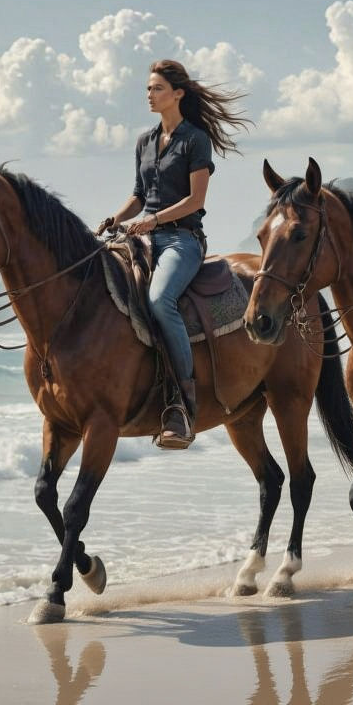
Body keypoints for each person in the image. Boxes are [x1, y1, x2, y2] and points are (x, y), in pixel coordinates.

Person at [98, 59, 249, 449]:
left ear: (178, 94)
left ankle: (182, 402)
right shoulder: (144, 142)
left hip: (182, 239)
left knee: (160, 300)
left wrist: (154, 221)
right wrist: (116, 217)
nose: (149, 95)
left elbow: (195, 199)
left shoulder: (195, 140)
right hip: (141, 237)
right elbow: (138, 194)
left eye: (157, 89)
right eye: (148, 89)